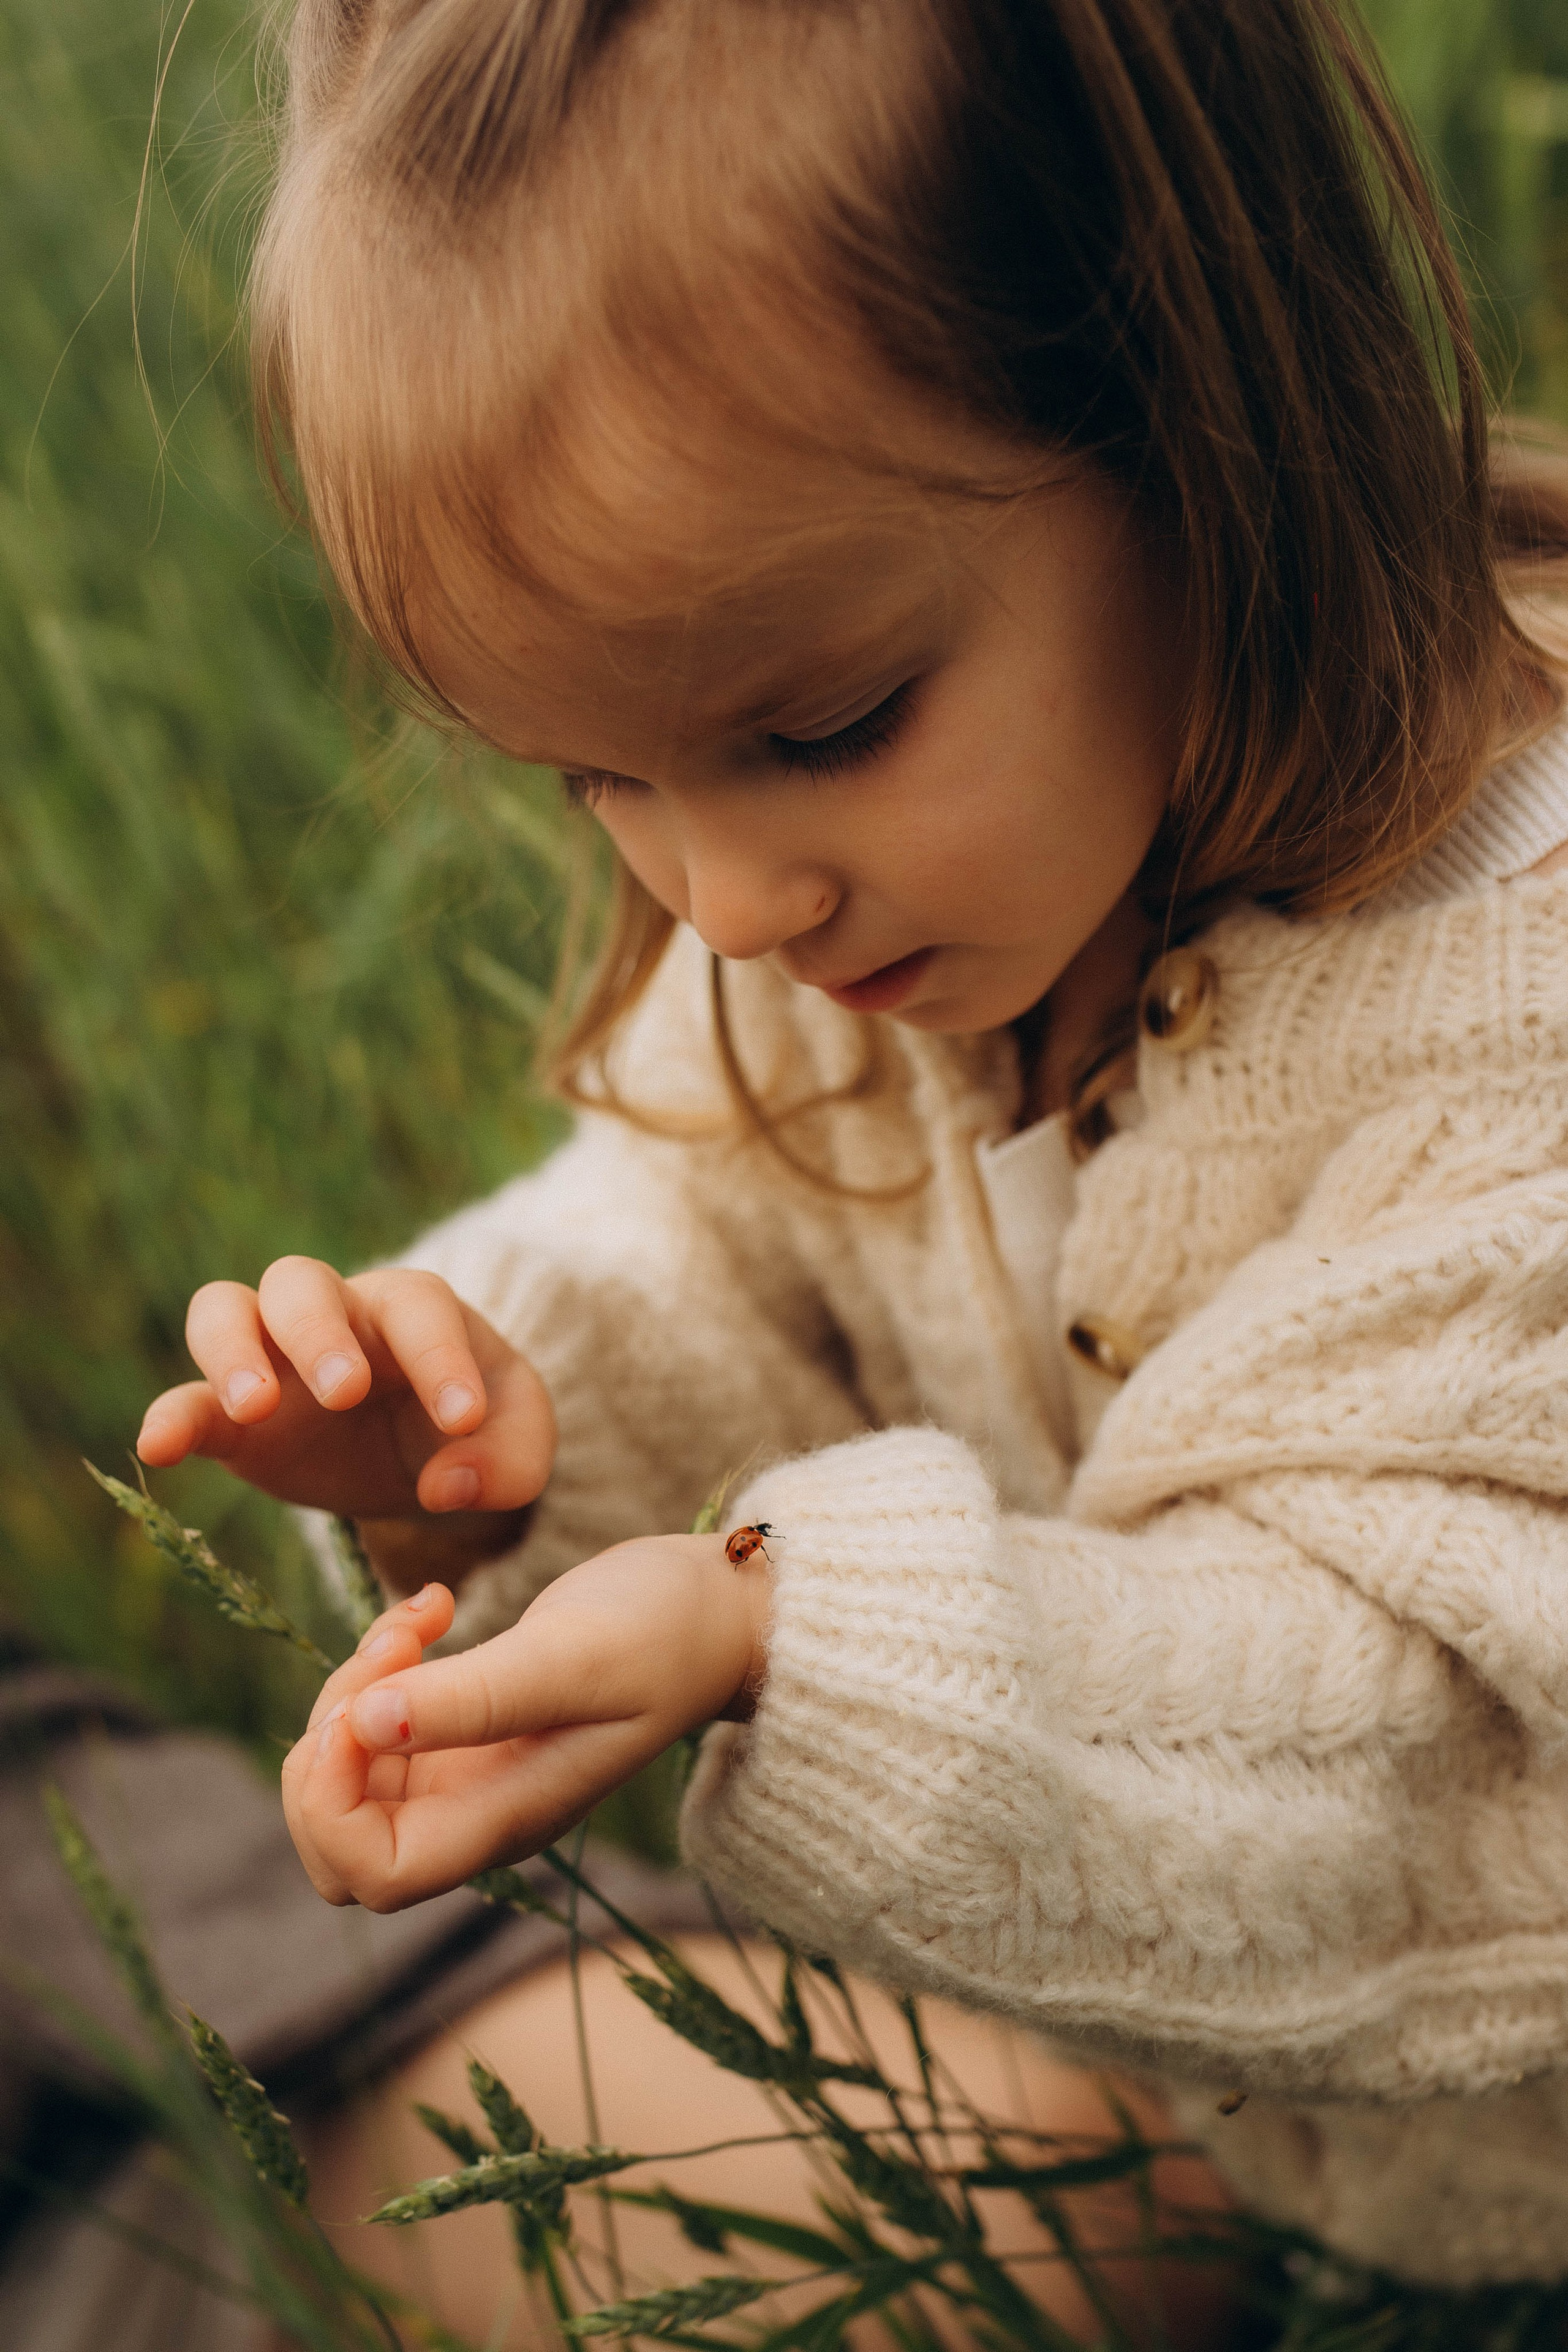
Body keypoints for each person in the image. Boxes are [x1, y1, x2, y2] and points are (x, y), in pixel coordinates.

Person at [134, 0, 1568, 2339]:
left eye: (823, 724)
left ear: (1196, 416)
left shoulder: (1523, 1020)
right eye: (599, 776)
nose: (724, 903)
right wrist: (482, 1427)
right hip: (1193, 2120)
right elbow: (699, 1234)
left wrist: (780, 1629)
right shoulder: (915, 901)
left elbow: (1407, 1757)